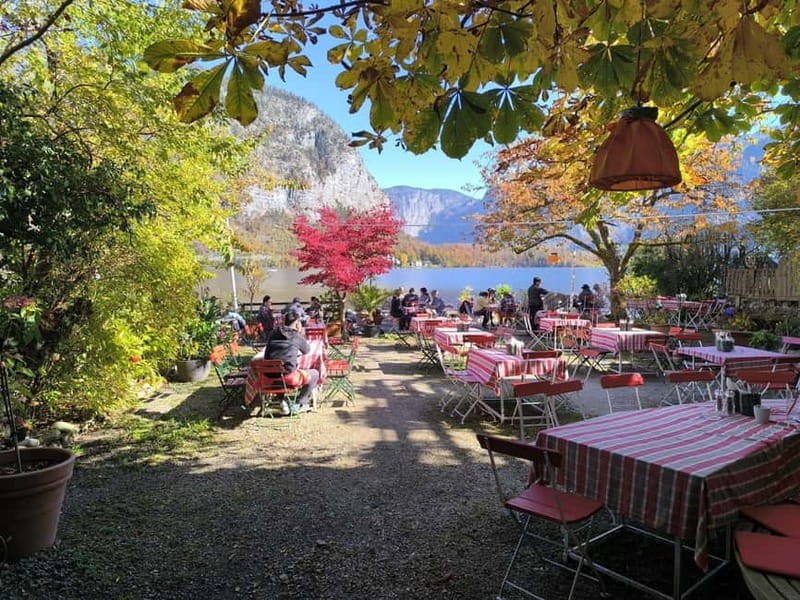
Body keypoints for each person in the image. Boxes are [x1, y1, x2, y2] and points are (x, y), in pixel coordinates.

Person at [262, 311, 319, 415]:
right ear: (297, 324)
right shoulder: (296, 336)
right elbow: (307, 350)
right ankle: (300, 403)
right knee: (315, 373)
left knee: (280, 370)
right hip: (289, 377)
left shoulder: (273, 333)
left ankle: (281, 400)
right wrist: (300, 333)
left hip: (269, 376)